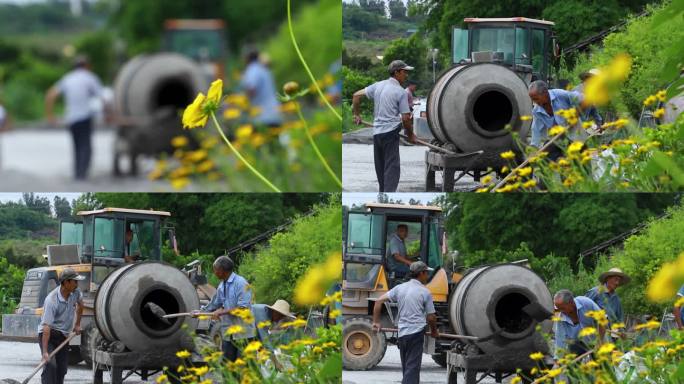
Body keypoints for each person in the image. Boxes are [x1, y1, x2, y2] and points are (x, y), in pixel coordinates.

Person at [352, 60, 417, 192]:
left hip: (377, 134)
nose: (406, 75)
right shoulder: (400, 92)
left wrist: (357, 115)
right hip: (391, 133)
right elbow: (405, 118)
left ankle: (383, 194)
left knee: (381, 168)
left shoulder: (378, 85)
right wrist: (411, 135)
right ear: (396, 72)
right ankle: (389, 196)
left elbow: (356, 96)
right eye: (404, 72)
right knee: (392, 168)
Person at [372, 261, 438, 384]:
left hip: (402, 334)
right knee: (412, 369)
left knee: (408, 369)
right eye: (426, 273)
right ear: (421, 273)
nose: (427, 276)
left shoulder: (399, 288)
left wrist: (376, 322)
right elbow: (431, 318)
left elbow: (378, 302)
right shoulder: (425, 292)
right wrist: (434, 331)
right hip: (416, 333)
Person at [45, 55, 103, 180]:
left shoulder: (67, 78)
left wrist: (50, 115)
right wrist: (109, 114)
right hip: (85, 117)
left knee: (76, 146)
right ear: (87, 66)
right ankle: (82, 174)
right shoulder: (90, 78)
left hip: (71, 118)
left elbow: (50, 95)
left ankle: (77, 173)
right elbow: (102, 97)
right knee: (86, 146)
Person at [194, 256, 256, 361]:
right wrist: (200, 312)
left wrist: (221, 312)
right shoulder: (222, 285)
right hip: (228, 333)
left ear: (222, 270)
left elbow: (242, 309)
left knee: (245, 367)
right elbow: (214, 303)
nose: (214, 272)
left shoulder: (241, 283)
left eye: (215, 270)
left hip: (244, 334)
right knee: (228, 367)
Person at [37, 268, 85, 384]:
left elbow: (81, 305)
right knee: (50, 365)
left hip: (63, 335)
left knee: (62, 369)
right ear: (66, 282)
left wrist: (77, 324)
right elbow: (46, 327)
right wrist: (44, 352)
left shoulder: (76, 292)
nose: (77, 284)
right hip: (49, 335)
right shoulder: (52, 300)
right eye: (75, 281)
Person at [528, 80, 585, 160]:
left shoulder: (561, 95)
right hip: (557, 139)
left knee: (580, 164)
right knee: (547, 157)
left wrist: (575, 115)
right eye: (533, 99)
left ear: (545, 92)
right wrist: (533, 150)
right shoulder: (537, 110)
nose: (535, 102)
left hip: (575, 134)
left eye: (536, 98)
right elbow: (536, 131)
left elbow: (585, 99)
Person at [553, 289, 606, 360]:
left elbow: (602, 320)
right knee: (573, 366)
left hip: (596, 338)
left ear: (571, 302)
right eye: (558, 308)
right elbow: (560, 340)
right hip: (577, 345)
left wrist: (599, 342)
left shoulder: (586, 303)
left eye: (562, 308)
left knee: (604, 364)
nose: (560, 311)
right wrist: (557, 361)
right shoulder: (560, 317)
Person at [240, 49, 282, 127]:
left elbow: (251, 89)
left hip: (262, 115)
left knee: (263, 138)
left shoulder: (252, 70)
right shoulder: (264, 69)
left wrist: (241, 102)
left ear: (247, 59)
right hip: (274, 111)